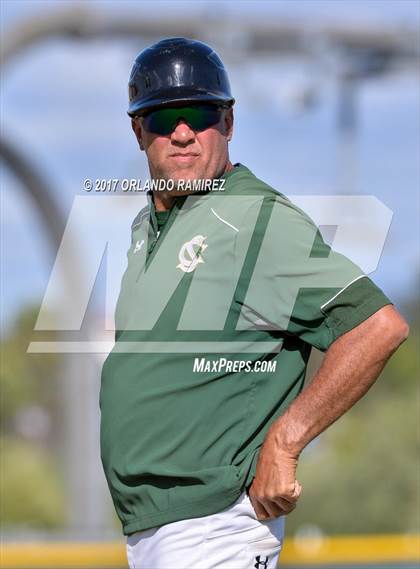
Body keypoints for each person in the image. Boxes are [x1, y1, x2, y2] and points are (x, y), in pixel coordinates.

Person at [99, 37, 409, 569]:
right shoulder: (146, 225)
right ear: (137, 131)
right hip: (158, 530)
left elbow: (377, 327)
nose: (181, 132)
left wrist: (286, 441)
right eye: (161, 117)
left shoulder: (251, 219)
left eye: (199, 113)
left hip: (216, 524)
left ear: (229, 122)